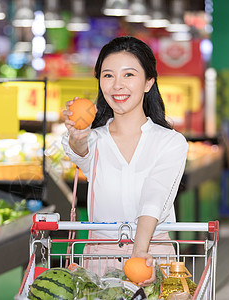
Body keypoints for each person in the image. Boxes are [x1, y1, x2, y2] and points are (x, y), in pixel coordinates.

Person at [61, 36, 189, 286]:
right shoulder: (94, 140)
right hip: (100, 261)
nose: (117, 85)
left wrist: (139, 252)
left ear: (148, 82)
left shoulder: (170, 142)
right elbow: (80, 151)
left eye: (128, 75)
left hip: (153, 258)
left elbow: (155, 195)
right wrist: (78, 135)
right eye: (108, 76)